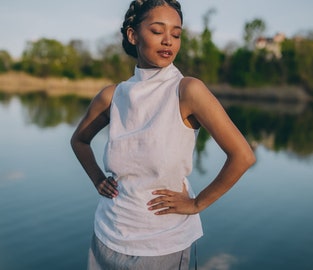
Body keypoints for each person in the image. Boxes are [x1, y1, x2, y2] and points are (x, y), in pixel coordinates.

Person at [70, 0, 256, 269]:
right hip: (107, 236)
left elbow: (243, 156)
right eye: (158, 31)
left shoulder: (188, 91)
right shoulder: (113, 96)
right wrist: (97, 179)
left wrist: (197, 203)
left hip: (162, 244)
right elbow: (79, 140)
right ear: (133, 35)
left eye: (177, 34)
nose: (169, 41)